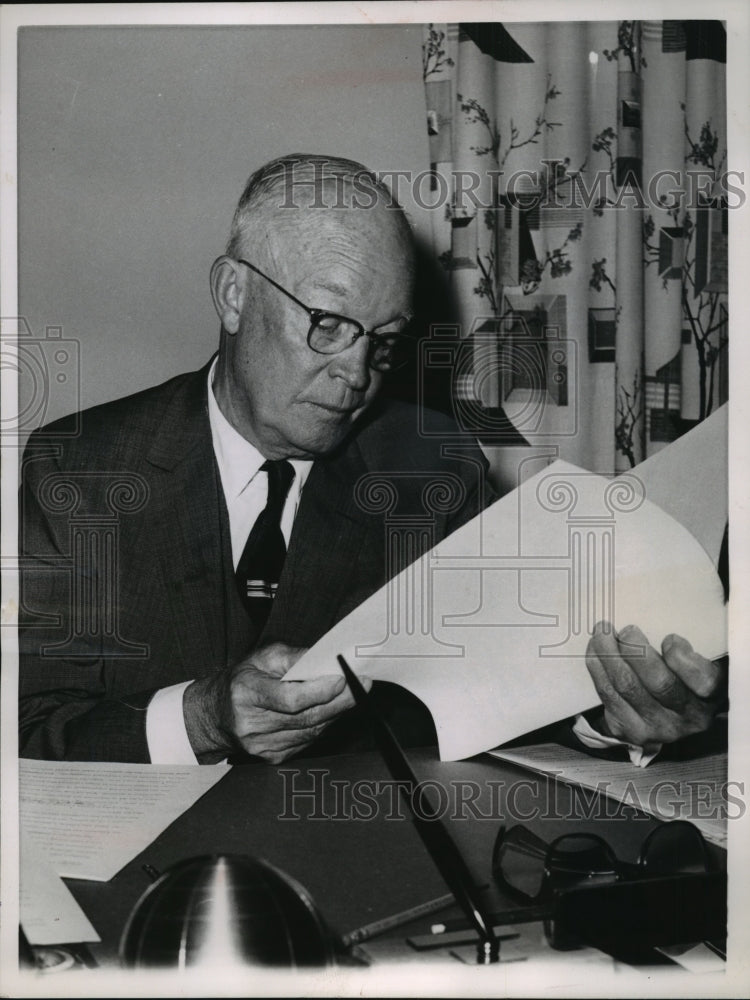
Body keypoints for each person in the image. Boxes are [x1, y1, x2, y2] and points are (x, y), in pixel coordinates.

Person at [18, 153, 727, 765]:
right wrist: (202, 718)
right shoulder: (80, 469)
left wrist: (618, 719)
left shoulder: (433, 469)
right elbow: (28, 724)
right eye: (328, 325)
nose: (357, 374)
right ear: (234, 294)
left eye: (383, 340)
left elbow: (502, 699)